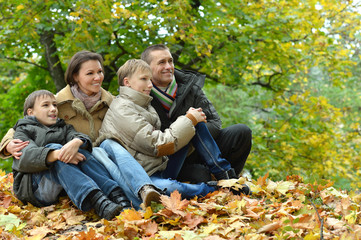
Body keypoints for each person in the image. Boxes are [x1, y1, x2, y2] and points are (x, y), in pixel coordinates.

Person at [0, 51, 161, 209]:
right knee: (81, 150)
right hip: (75, 164)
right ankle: (118, 200)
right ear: (75, 76)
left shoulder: (111, 101)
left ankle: (142, 191)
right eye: (90, 73)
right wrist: (7, 144)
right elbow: (27, 125)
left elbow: (133, 119)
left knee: (108, 144)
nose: (97, 77)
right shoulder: (58, 102)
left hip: (101, 160)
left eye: (100, 72)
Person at [97, 59, 250, 198]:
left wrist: (191, 120)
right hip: (144, 178)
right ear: (127, 82)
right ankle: (217, 190)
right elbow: (156, 145)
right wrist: (188, 119)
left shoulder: (142, 104)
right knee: (170, 188)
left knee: (194, 122)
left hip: (160, 165)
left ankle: (226, 176)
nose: (150, 84)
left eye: (150, 79)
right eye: (144, 79)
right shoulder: (122, 108)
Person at [12, 89, 132, 220]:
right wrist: (57, 153)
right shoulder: (23, 130)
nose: (53, 109)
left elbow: (77, 137)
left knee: (78, 150)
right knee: (56, 148)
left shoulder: (63, 127)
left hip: (61, 183)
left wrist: (76, 141)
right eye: (46, 105)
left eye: (54, 105)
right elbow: (25, 158)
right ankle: (97, 200)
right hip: (34, 189)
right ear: (31, 112)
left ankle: (116, 195)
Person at [141, 44, 252, 183]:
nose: (169, 66)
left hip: (204, 147)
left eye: (170, 61)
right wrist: (188, 126)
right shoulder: (142, 95)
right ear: (147, 68)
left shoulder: (190, 87)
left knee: (241, 132)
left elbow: (215, 123)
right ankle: (212, 178)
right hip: (170, 160)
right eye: (162, 62)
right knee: (200, 175)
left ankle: (230, 181)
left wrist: (192, 135)